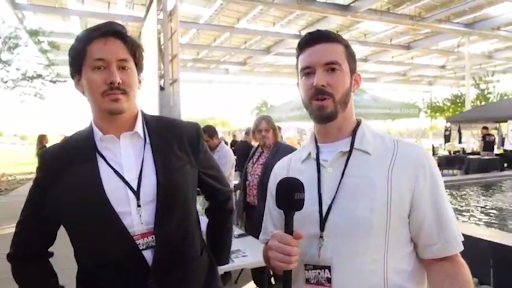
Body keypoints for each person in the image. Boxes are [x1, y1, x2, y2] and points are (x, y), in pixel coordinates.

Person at [7, 21, 233, 288]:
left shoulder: (183, 137)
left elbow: (221, 199)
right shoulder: (59, 162)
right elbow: (26, 254)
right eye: (99, 67)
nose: (114, 78)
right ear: (79, 81)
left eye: (124, 66)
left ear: (138, 77)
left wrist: (214, 260)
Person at [259, 30, 473, 287]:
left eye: (332, 69)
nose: (319, 81)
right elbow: (271, 250)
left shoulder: (407, 162)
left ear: (356, 81)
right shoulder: (285, 171)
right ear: (299, 87)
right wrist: (271, 255)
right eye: (307, 73)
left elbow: (443, 261)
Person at [239, 115, 296, 287]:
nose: (263, 134)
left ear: (273, 131)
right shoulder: (255, 151)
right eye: (259, 131)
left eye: (267, 130)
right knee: (257, 264)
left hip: (273, 215)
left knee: (278, 266)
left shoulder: (287, 152)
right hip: (253, 215)